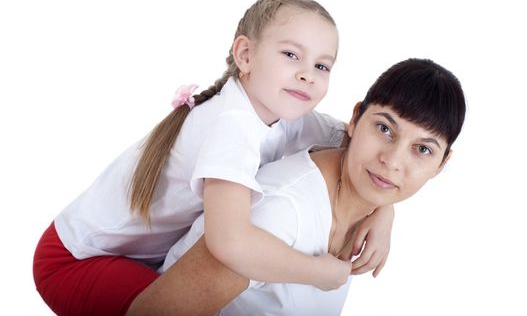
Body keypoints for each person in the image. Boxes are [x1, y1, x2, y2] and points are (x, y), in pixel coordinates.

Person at [33, 0, 394, 316]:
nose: (307, 75)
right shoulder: (231, 126)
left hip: (136, 256)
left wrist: (384, 209)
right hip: (75, 260)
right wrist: (320, 273)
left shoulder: (284, 112)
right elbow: (230, 243)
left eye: (322, 65)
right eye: (290, 55)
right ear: (245, 55)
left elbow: (360, 146)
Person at [132, 57, 466, 315]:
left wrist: (384, 209)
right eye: (384, 129)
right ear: (355, 119)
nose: (393, 161)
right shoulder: (283, 210)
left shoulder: (363, 201)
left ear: (441, 164)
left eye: (422, 149)